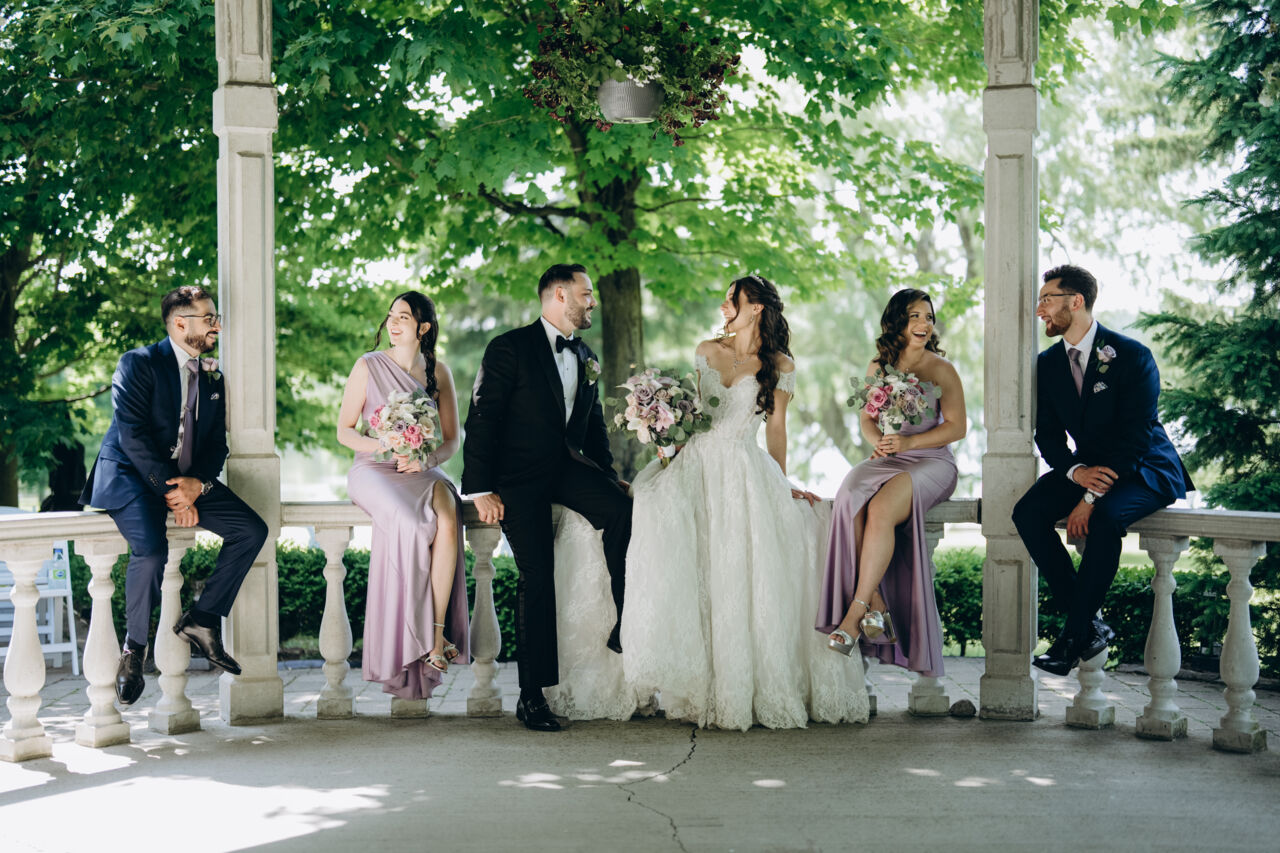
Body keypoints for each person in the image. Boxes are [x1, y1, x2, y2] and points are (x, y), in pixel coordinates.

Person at [553, 274, 868, 730]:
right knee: (671, 541)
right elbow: (694, 417)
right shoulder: (706, 350)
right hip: (695, 465)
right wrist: (665, 441)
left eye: (732, 299)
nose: (724, 306)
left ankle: (738, 686)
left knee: (735, 569)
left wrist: (781, 483)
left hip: (743, 471)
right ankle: (667, 665)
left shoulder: (779, 364)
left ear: (756, 307)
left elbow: (776, 429)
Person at [462, 263, 632, 732]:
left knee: (623, 511)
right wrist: (480, 489)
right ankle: (532, 696)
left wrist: (608, 477)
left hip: (567, 469)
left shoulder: (586, 355)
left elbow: (593, 426)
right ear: (560, 295)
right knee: (537, 575)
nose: (592, 301)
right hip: (516, 480)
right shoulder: (508, 347)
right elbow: (482, 418)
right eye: (586, 293)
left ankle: (625, 622)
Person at [81, 286, 269, 706]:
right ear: (181, 323)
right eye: (209, 318)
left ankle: (202, 619)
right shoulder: (138, 363)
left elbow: (216, 445)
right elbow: (133, 437)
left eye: (216, 318)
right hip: (132, 476)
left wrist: (196, 485)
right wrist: (176, 493)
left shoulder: (213, 378)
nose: (217, 326)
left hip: (188, 480)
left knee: (251, 530)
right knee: (151, 551)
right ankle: (134, 649)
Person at [1013, 265, 1192, 675]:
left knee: (1107, 518)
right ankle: (1088, 626)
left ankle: (1071, 637)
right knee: (1028, 512)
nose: (1039, 310)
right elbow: (1048, 436)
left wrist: (1089, 499)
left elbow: (1135, 438)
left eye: (1047, 300)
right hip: (1089, 465)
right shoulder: (1048, 364)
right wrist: (1076, 474)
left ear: (1076, 302)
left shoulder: (1132, 356)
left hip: (1145, 466)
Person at [817, 289, 966, 682]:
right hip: (890, 457)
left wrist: (910, 444)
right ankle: (876, 603)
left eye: (928, 317)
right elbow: (868, 420)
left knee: (881, 509)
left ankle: (854, 615)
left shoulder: (942, 370)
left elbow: (957, 427)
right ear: (897, 322)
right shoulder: (878, 366)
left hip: (931, 461)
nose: (923, 324)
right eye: (915, 316)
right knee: (850, 494)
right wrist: (878, 442)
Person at [337, 291, 469, 700]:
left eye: (404, 317)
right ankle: (412, 640)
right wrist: (384, 445)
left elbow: (452, 440)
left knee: (449, 517)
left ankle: (436, 635)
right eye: (391, 316)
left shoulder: (439, 372)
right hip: (374, 468)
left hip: (421, 467)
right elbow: (344, 431)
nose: (393, 324)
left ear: (423, 327)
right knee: (412, 523)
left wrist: (426, 457)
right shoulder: (368, 365)